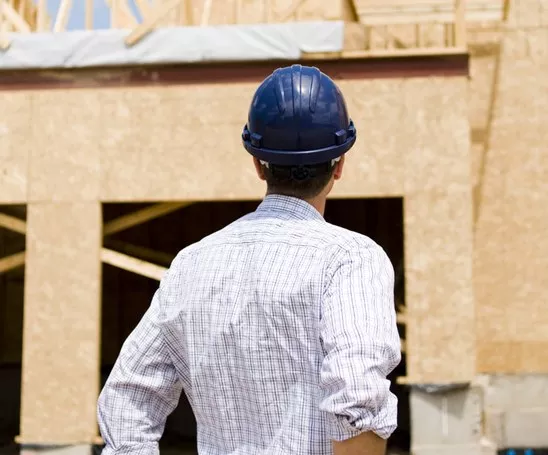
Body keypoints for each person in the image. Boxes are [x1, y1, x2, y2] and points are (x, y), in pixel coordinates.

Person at [97, 64, 401, 455]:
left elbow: (128, 400)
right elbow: (356, 395)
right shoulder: (350, 260)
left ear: (258, 164)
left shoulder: (191, 264)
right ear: (340, 164)